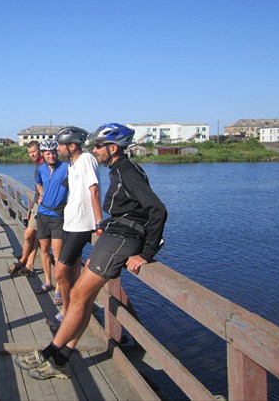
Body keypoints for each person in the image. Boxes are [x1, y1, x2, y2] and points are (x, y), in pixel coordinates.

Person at [15, 123, 167, 380]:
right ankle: (61, 358)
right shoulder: (119, 170)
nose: (94, 150)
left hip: (121, 239)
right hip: (112, 236)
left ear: (113, 148)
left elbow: (158, 210)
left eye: (99, 146)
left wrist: (147, 253)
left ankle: (49, 353)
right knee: (79, 297)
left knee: (78, 295)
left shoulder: (127, 171)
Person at [48, 126, 102, 330]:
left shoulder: (86, 159)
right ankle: (78, 307)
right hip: (69, 223)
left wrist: (98, 222)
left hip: (81, 225)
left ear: (72, 146)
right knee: (71, 271)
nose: (58, 148)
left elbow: (94, 189)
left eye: (61, 145)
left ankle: (67, 311)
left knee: (60, 272)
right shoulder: (71, 164)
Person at [33, 140, 69, 294]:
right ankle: (48, 282)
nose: (51, 155)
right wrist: (42, 195)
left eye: (53, 152)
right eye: (47, 153)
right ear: (43, 154)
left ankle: (59, 288)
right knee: (45, 250)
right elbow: (38, 183)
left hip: (58, 216)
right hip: (42, 214)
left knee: (58, 253)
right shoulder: (40, 169)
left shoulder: (66, 168)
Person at [8, 141, 44, 277]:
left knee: (29, 234)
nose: (32, 154)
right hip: (37, 204)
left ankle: (23, 261)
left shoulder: (44, 165)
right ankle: (29, 265)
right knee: (34, 236)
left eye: (34, 151)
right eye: (29, 152)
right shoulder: (39, 165)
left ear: (39, 150)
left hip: (42, 205)